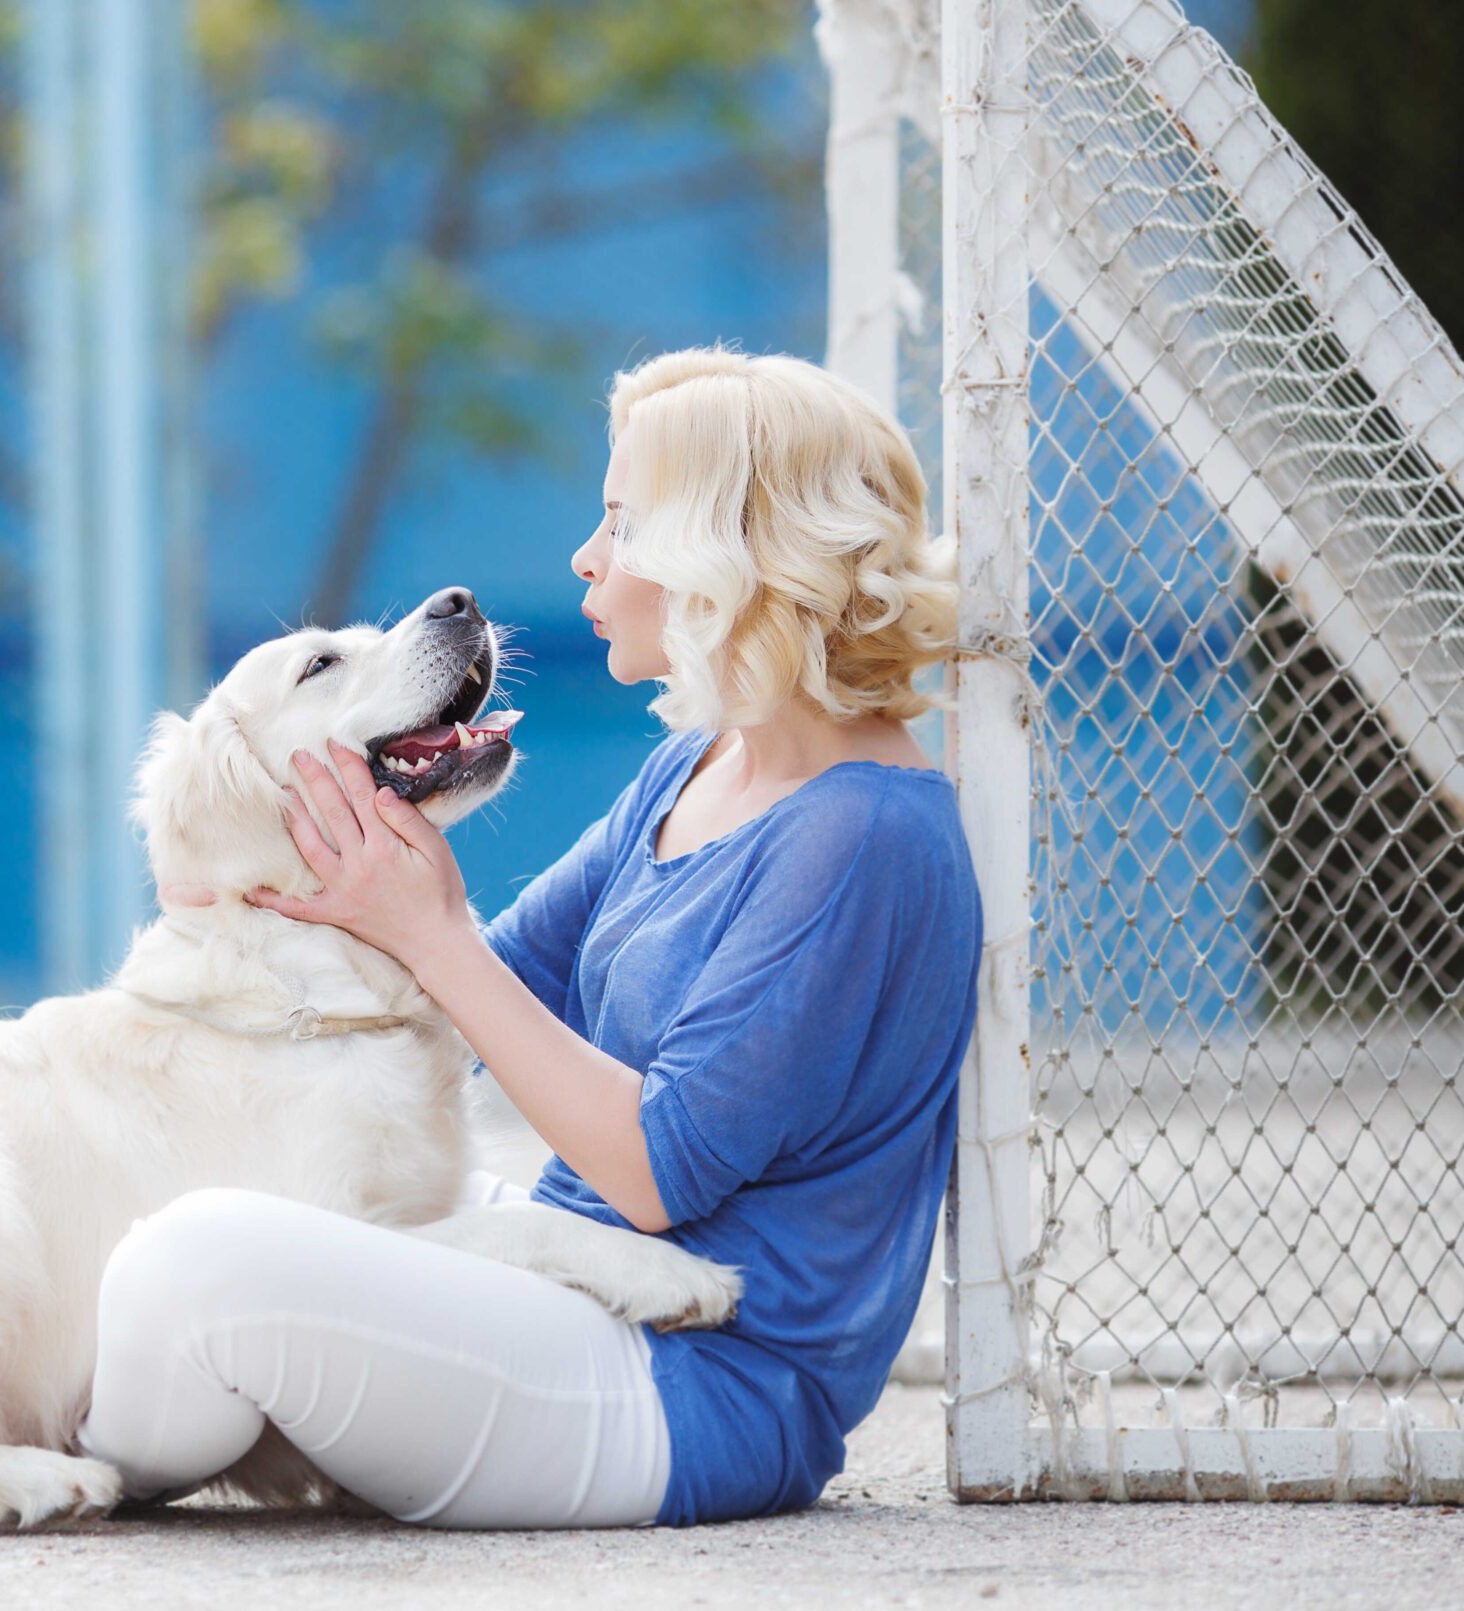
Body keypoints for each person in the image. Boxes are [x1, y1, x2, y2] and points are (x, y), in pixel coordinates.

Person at [71, 346, 982, 1527]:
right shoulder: (695, 770)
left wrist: (435, 935)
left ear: (728, 554)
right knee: (230, 1196)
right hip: (579, 1289)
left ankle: (71, 1440)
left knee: (190, 1261)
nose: (586, 559)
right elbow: (493, 991)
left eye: (622, 522)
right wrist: (261, 898)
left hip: (692, 1390)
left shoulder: (862, 835)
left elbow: (657, 1174)